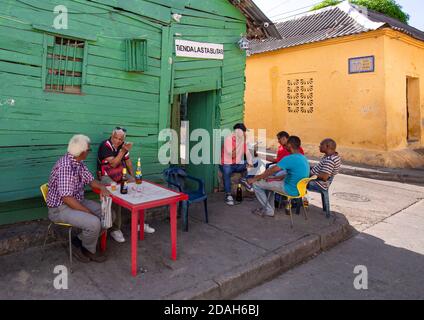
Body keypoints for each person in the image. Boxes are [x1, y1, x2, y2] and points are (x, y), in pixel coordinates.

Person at [47, 135, 111, 263]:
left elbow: (91, 181)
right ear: (82, 152)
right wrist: (87, 212)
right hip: (60, 208)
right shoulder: (65, 166)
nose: (89, 152)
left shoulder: (78, 163)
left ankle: (79, 242)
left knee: (108, 215)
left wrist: (102, 188)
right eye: (88, 150)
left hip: (76, 200)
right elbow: (66, 198)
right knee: (94, 222)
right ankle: (88, 250)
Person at [97, 127, 155, 243]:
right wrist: (122, 151)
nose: (118, 141)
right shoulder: (105, 145)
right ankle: (115, 229)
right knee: (116, 192)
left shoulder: (123, 145)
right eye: (116, 138)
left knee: (137, 187)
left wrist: (132, 178)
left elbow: (127, 162)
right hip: (106, 176)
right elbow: (113, 164)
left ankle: (139, 223)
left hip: (121, 174)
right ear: (112, 136)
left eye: (120, 139)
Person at [247, 136, 310, 217]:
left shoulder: (290, 158)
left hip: (290, 189)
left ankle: (268, 210)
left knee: (256, 184)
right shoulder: (302, 157)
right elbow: (292, 174)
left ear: (290, 145)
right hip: (299, 189)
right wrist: (274, 178)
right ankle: (270, 208)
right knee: (268, 183)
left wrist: (255, 178)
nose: (285, 146)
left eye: (286, 144)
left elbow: (273, 169)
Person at [220, 123, 253, 206]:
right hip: (227, 164)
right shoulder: (228, 139)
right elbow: (232, 154)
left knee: (254, 162)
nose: (245, 134)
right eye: (244, 132)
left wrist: (250, 163)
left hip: (237, 164)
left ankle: (244, 179)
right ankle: (228, 195)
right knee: (226, 173)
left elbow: (248, 153)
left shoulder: (242, 140)